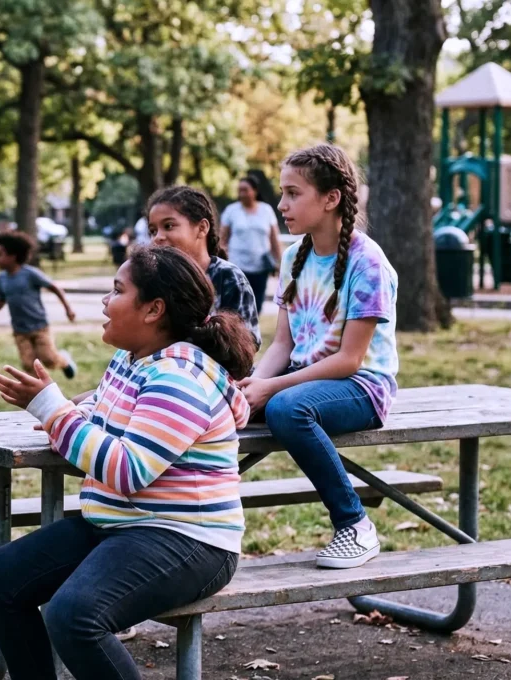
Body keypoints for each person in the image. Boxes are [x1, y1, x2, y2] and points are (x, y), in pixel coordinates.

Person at [0, 245, 255, 680]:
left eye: (117, 290)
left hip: (190, 539)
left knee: (74, 616)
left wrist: (54, 412)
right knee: (1, 578)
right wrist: (67, 420)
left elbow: (128, 471)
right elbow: (101, 419)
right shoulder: (131, 362)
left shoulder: (178, 380)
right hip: (121, 524)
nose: (105, 302)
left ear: (153, 310)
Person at [238, 144, 399, 569]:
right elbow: (282, 345)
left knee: (287, 409)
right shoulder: (294, 257)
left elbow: (350, 360)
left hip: (361, 387)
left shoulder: (368, 263)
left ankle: (355, 524)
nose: (281, 204)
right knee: (223, 398)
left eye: (293, 193)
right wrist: (254, 384)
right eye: (282, 192)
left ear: (331, 199)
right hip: (302, 379)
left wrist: (272, 389)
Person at [147, 185, 261, 348]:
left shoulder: (228, 278)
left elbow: (247, 344)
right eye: (153, 231)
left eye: (168, 226)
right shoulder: (155, 280)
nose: (157, 237)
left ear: (202, 228)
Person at [0, 231, 78, 379]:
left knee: (48, 358)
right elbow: (1, 300)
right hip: (19, 330)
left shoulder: (30, 274)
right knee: (28, 364)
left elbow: (55, 288)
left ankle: (64, 361)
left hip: (39, 326)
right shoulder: (1, 279)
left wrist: (68, 309)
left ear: (13, 256)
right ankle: (39, 389)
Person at [221, 176, 284, 312]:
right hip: (237, 266)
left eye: (245, 190)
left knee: (257, 304)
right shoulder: (231, 210)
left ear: (255, 191)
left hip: (260, 267)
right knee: (236, 305)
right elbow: (222, 238)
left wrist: (279, 262)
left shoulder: (266, 210)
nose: (242, 193)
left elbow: (274, 238)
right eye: (240, 190)